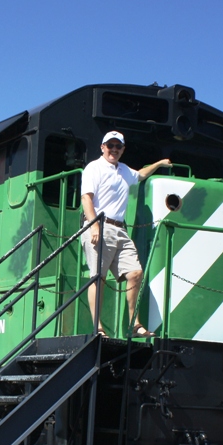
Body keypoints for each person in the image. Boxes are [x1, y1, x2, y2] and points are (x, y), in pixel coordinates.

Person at [80, 131, 171, 338]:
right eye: (110, 145)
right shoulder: (94, 168)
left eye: (118, 146)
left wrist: (159, 164)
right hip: (99, 226)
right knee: (98, 278)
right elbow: (86, 198)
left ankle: (135, 325)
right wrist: (94, 226)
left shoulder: (124, 170)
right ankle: (98, 328)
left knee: (135, 273)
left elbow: (140, 175)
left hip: (120, 229)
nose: (114, 149)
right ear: (102, 147)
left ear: (122, 149)